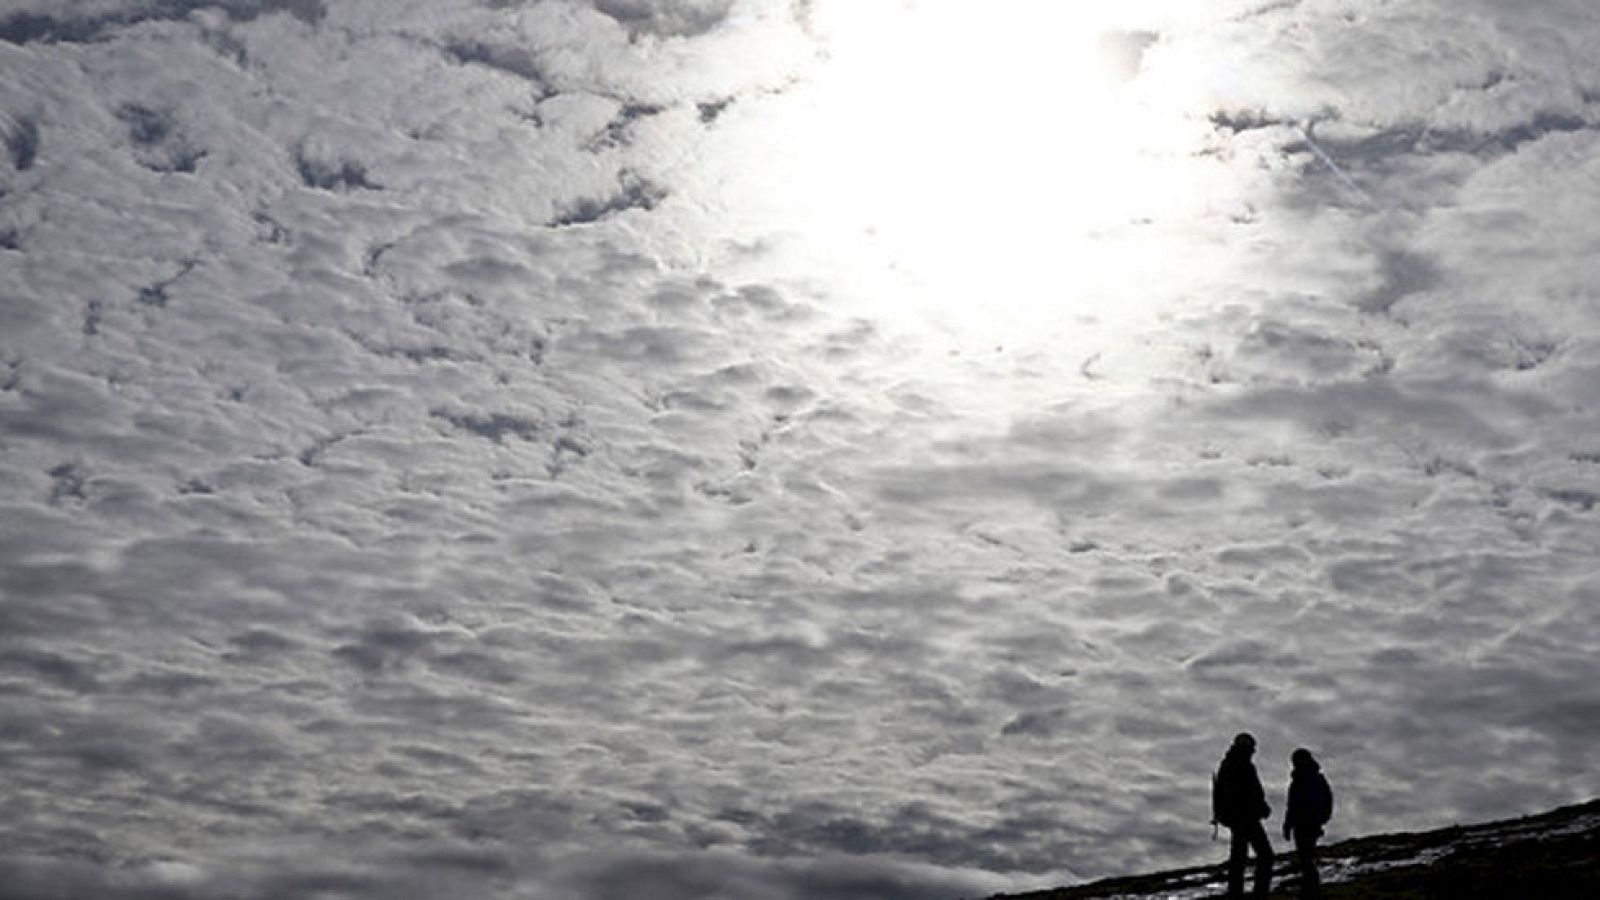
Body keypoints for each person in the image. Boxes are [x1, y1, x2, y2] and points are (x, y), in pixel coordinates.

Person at [1212, 732, 1274, 898]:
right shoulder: (1238, 765)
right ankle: (1257, 894)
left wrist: (1261, 806)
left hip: (1241, 817)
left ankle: (1238, 893)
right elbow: (1246, 793)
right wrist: (1259, 807)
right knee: (1263, 855)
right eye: (1251, 748)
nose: (1253, 751)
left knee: (1240, 856)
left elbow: (1251, 792)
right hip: (1244, 818)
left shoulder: (1233, 764)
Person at [1283, 748, 1335, 898]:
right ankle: (1310, 889)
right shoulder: (1315, 778)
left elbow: (1295, 805)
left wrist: (1289, 824)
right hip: (1309, 823)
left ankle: (1310, 891)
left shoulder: (1304, 779)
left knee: (1306, 858)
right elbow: (1327, 800)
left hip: (1305, 823)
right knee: (1307, 857)